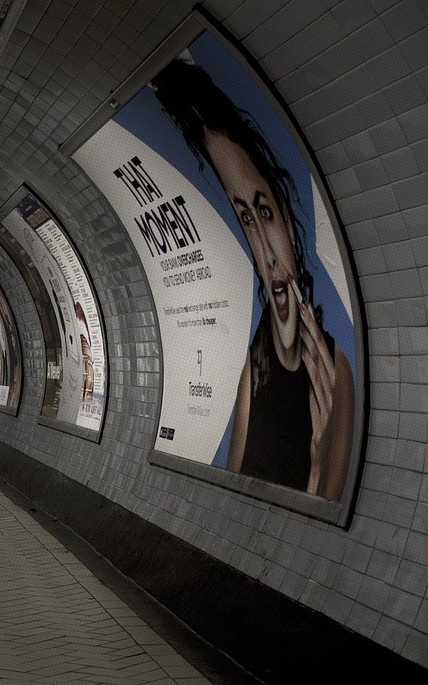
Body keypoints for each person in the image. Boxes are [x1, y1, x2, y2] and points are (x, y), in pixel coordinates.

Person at [154, 59, 353, 500]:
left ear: (288, 220)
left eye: (265, 212)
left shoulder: (335, 376)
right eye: (246, 217)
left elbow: (328, 521)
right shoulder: (254, 372)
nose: (264, 249)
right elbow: (235, 497)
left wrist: (319, 462)